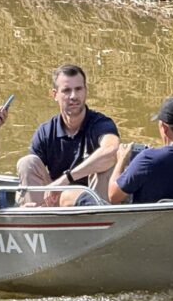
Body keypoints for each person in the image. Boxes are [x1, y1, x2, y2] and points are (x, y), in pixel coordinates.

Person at [16, 64, 120, 206]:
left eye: (78, 89)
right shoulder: (45, 132)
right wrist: (24, 199)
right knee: (27, 162)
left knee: (108, 160)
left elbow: (111, 149)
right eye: (66, 90)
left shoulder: (100, 124)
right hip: (55, 200)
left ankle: (98, 217)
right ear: (55, 95)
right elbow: (31, 174)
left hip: (94, 202)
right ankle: (35, 216)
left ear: (85, 91)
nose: (74, 96)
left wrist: (67, 178)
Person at [107, 96, 173, 204]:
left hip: (150, 222)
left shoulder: (147, 160)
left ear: (164, 127)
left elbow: (113, 196)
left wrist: (121, 159)